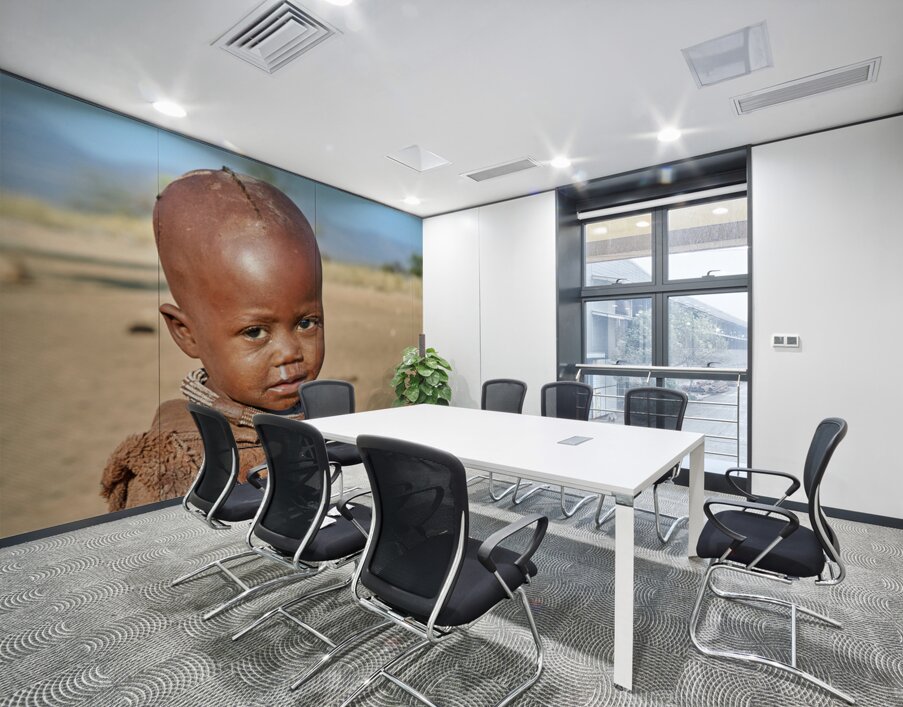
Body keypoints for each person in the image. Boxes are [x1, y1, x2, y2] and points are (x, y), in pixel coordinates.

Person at [101, 167, 325, 510]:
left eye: (307, 323)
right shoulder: (176, 462)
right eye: (255, 332)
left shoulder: (320, 424)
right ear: (185, 333)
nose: (289, 352)